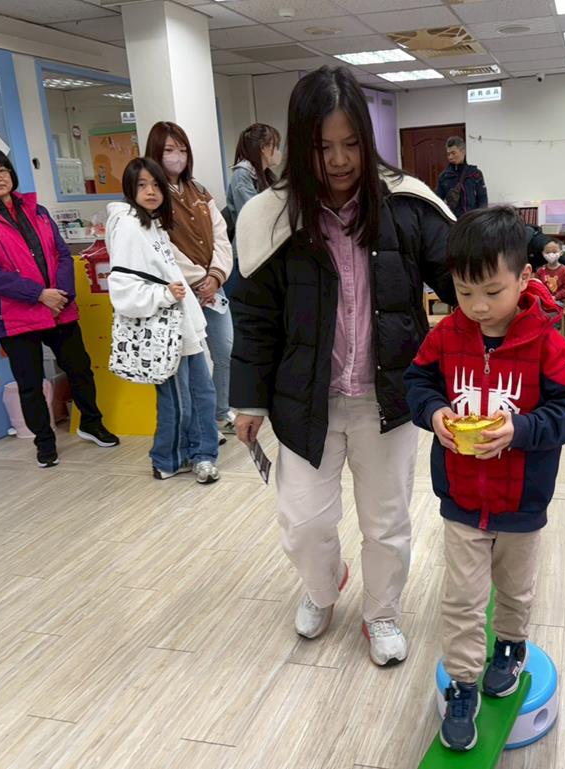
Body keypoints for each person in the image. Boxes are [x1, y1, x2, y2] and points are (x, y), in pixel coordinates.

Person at [229, 66, 456, 667]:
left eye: (351, 143)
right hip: (307, 400)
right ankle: (324, 586)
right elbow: (255, 319)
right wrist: (248, 400)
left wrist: (516, 273)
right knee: (303, 522)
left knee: (386, 522)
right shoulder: (271, 218)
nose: (338, 160)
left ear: (366, 139)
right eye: (323, 146)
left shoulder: (405, 205)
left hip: (389, 398)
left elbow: (463, 278)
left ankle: (381, 612)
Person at [403, 206, 565, 752]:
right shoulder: (448, 336)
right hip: (462, 497)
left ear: (524, 277)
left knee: (514, 589)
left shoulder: (545, 343)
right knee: (462, 599)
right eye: (464, 293)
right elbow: (417, 382)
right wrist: (434, 413)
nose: (478, 306)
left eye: (492, 291)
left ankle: (510, 647)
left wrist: (522, 430)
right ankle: (463, 685)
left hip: (521, 500)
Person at [0, 144, 118, 468]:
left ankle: (91, 423)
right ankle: (44, 442)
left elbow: (61, 255)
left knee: (80, 369)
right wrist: (39, 294)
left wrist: (60, 295)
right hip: (15, 314)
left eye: (2, 169)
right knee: (30, 383)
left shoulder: (37, 210)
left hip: (59, 307)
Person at [106, 157, 219, 483]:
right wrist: (164, 295)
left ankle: (202, 455)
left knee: (201, 393)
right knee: (179, 399)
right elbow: (123, 289)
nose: (151, 191)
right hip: (162, 329)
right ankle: (170, 458)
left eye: (156, 184)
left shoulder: (151, 223)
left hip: (181, 326)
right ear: (130, 188)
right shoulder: (129, 226)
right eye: (142, 185)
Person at [145, 122, 236, 437]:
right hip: (181, 292)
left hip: (213, 288)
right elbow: (161, 247)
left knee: (225, 350)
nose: (177, 156)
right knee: (191, 364)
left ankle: (221, 412)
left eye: (182, 150)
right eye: (169, 150)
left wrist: (216, 276)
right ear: (156, 153)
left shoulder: (198, 190)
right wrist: (199, 280)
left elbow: (221, 236)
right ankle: (200, 426)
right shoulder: (153, 195)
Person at [227, 123, 281, 221]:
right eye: (276, 146)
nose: (278, 151)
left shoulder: (265, 174)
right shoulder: (241, 174)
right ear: (263, 148)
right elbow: (253, 215)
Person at [435, 136, 488, 217]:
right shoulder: (444, 176)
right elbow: (438, 202)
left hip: (472, 219)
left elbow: (483, 199)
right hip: (452, 221)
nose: (450, 157)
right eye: (448, 154)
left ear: (463, 152)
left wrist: (480, 219)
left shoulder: (475, 174)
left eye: (453, 153)